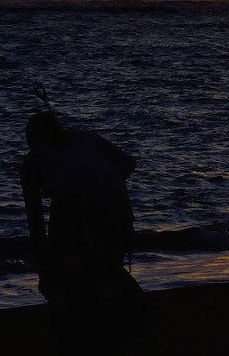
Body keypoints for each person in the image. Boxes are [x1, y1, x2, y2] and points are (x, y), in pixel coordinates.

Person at [20, 108, 140, 319]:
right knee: (107, 268)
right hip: (120, 209)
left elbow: (35, 219)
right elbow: (128, 164)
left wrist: (44, 267)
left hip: (80, 210)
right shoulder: (87, 137)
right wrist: (103, 184)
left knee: (73, 272)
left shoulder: (33, 158)